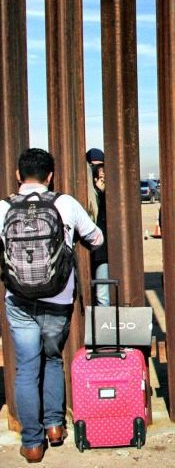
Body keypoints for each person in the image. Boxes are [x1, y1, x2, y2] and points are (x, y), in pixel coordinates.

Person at [0, 148, 103, 463]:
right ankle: (55, 426)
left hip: (18, 298)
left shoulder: (3, 207)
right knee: (53, 359)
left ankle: (32, 444)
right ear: (50, 176)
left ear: (19, 176)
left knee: (27, 368)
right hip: (58, 298)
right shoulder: (65, 203)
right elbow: (97, 239)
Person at [86, 148, 109, 306]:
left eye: (100, 166)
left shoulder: (108, 191)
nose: (97, 170)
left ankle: (102, 329)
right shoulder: (84, 190)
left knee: (102, 294)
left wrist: (103, 193)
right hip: (86, 248)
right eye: (92, 166)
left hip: (102, 251)